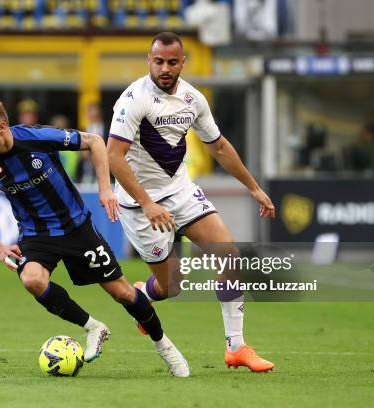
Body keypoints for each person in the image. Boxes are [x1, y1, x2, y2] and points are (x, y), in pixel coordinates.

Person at [0, 97, 189, 377]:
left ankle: (164, 346)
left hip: (76, 228)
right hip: (37, 235)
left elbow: (94, 141)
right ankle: (93, 327)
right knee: (32, 280)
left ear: (1, 127)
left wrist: (106, 189)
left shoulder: (37, 138)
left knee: (123, 293)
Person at [106, 32, 276, 372]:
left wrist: (253, 187)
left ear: (184, 62)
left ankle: (236, 347)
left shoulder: (192, 98)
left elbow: (220, 147)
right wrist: (148, 203)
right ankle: (146, 293)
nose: (165, 68)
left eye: (172, 62)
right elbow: (114, 156)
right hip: (140, 206)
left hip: (181, 191)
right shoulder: (133, 99)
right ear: (148, 61)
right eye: (159, 61)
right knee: (171, 287)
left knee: (229, 254)